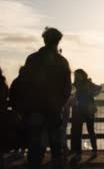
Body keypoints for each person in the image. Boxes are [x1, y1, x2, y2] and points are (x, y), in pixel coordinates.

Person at [20, 27, 72, 169]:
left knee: (35, 147)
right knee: (56, 147)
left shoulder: (32, 59)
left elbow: (24, 84)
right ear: (58, 41)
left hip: (35, 109)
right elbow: (67, 88)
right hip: (54, 110)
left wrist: (28, 105)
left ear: (44, 40)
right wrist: (59, 104)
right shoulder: (62, 62)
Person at [70, 69, 102, 162]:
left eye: (78, 75)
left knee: (90, 131)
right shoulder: (74, 85)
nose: (76, 77)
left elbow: (99, 88)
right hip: (79, 111)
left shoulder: (88, 83)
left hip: (87, 111)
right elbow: (70, 94)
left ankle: (94, 150)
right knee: (78, 133)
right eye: (75, 75)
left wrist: (93, 93)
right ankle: (79, 153)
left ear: (82, 75)